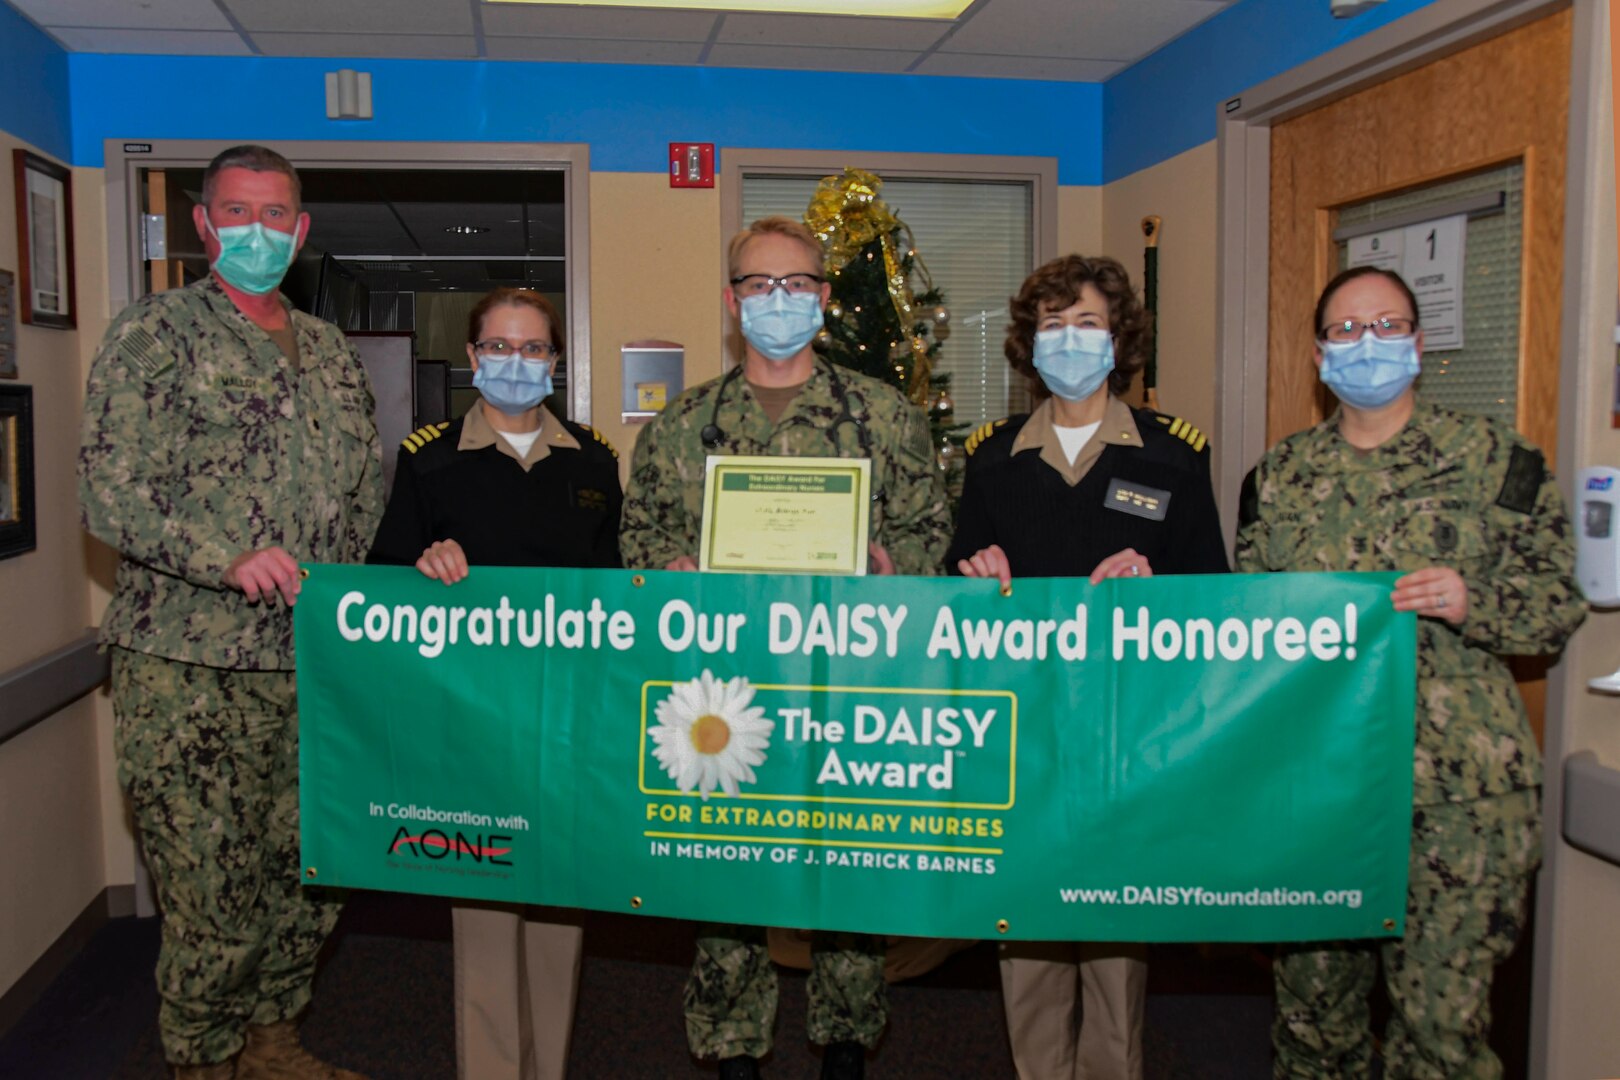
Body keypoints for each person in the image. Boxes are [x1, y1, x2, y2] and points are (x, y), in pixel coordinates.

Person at [619, 215, 952, 1079]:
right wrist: (673, 567)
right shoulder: (687, 421)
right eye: (760, 286)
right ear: (733, 303)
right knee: (727, 882)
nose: (779, 301)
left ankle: (845, 1047)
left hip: (845, 686)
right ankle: (733, 1055)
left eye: (797, 284)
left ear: (825, 298)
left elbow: (928, 532)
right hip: (722, 696)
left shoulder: (883, 415)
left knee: (843, 872)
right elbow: (638, 537)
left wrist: (893, 569)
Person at [1234, 265, 1586, 1078]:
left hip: (1458, 800)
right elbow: (1249, 624)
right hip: (1317, 791)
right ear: (1320, 355)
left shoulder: (1496, 459)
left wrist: (1474, 600)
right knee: (1313, 1026)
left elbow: (1557, 602)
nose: (1369, 344)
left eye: (1387, 326)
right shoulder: (1279, 479)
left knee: (1441, 1037)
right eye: (1348, 330)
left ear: (1420, 344)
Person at [78, 145, 382, 1080]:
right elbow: (107, 492)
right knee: (212, 890)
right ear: (205, 224)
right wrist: (225, 557)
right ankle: (203, 1058)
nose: (260, 231)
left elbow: (363, 483)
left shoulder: (328, 347)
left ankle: (272, 1039)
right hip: (190, 669)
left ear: (300, 227)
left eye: (277, 214)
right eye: (238, 213)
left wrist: (352, 587)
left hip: (313, 666)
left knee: (308, 871)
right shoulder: (155, 334)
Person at [947, 254, 1228, 1080]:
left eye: (1088, 323)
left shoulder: (1173, 454)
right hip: (1023, 726)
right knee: (1027, 923)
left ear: (1120, 338)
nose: (1070, 340)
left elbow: (1213, 594)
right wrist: (974, 576)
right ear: (1029, 345)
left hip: (1125, 724)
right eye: (1053, 324)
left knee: (1112, 926)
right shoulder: (991, 456)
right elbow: (957, 579)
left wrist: (1158, 586)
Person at [367, 286, 621, 1080]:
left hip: (565, 720)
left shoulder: (595, 459)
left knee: (557, 907)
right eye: (500, 348)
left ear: (555, 360)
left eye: (534, 348)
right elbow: (380, 585)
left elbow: (619, 589)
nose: (517, 363)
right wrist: (421, 566)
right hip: (470, 721)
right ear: (474, 358)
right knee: (481, 909)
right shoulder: (428, 458)